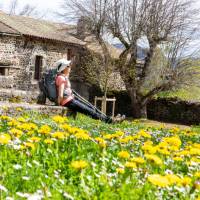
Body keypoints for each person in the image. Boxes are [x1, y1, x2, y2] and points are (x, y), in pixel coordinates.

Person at [55, 58, 125, 123]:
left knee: (91, 108)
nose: (70, 67)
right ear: (63, 68)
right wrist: (59, 104)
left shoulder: (63, 77)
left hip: (71, 100)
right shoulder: (61, 78)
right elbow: (60, 94)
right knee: (90, 111)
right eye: (68, 66)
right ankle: (110, 121)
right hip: (68, 102)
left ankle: (110, 119)